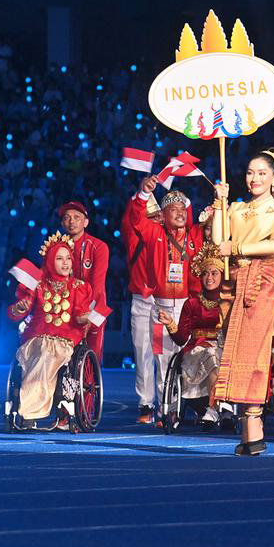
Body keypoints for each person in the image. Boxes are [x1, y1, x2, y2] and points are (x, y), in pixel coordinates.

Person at [211, 148, 274, 456]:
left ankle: (254, 424)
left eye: (262, 173)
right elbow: (217, 239)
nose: (255, 178)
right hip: (238, 282)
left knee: (253, 352)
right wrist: (219, 202)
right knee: (236, 349)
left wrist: (235, 247)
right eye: (251, 173)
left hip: (263, 284)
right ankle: (248, 429)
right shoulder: (238, 208)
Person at [126, 178, 204, 423]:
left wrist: (220, 202)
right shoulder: (154, 234)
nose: (179, 213)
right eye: (173, 209)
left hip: (187, 307)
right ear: (163, 214)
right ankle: (165, 408)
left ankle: (190, 404)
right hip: (160, 307)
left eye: (183, 209)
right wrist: (143, 193)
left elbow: (217, 227)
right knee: (162, 358)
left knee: (190, 356)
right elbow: (137, 219)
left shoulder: (195, 236)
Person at [6, 233, 92, 429]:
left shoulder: (79, 287)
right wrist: (19, 308)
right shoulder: (37, 284)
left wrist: (87, 318)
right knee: (39, 354)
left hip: (63, 342)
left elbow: (79, 317)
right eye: (59, 258)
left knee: (46, 356)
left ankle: (29, 413)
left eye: (68, 258)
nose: (65, 263)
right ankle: (28, 410)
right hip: (35, 339)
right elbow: (20, 309)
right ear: (50, 260)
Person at [158, 243, 228, 429]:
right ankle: (214, 409)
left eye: (214, 273)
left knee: (217, 356)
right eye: (205, 273)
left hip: (225, 350)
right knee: (212, 356)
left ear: (222, 275)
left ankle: (216, 407)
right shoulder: (192, 303)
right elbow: (181, 338)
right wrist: (169, 323)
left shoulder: (230, 301)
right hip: (195, 352)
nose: (209, 277)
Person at [59, 201, 110, 359]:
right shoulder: (56, 246)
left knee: (91, 357)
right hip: (66, 306)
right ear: (62, 223)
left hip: (94, 306)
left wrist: (87, 311)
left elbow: (97, 284)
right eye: (67, 218)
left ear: (86, 222)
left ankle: (91, 382)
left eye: (76, 217)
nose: (71, 221)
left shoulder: (98, 246)